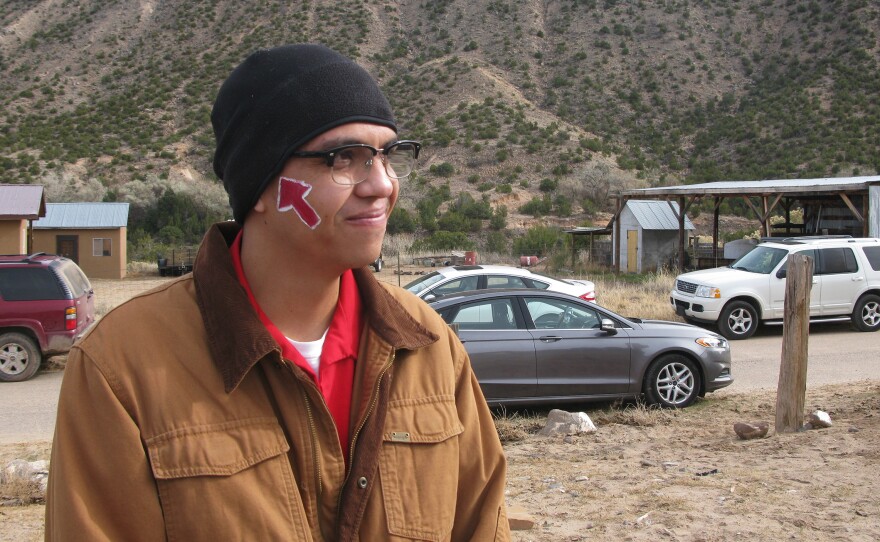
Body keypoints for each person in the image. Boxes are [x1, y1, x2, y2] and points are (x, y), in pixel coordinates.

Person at [45, 44, 510, 541]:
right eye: (343, 159)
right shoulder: (123, 365)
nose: (381, 185)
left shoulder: (427, 344)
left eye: (388, 155)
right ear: (263, 185)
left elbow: (483, 523)